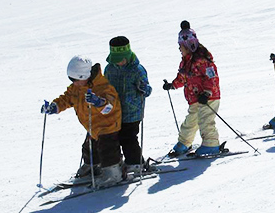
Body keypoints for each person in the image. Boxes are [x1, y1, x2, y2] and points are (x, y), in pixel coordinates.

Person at [42, 55, 124, 188]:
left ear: (84, 76)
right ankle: (92, 166)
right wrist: (55, 106)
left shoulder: (102, 86)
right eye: (71, 79)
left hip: (108, 125)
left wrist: (98, 102)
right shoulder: (76, 87)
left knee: (107, 149)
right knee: (89, 148)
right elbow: (66, 98)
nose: (73, 82)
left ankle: (113, 173)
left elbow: (110, 106)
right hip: (93, 127)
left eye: (75, 80)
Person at [162, 21, 222, 157]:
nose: (179, 49)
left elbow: (211, 78)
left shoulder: (202, 60)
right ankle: (184, 143)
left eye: (181, 46)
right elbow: (182, 77)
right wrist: (172, 85)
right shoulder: (186, 61)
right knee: (190, 121)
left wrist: (207, 93)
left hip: (208, 98)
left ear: (190, 46)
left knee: (205, 121)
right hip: (195, 99)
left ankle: (211, 144)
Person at [103, 36, 151, 178]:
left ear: (128, 55)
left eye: (122, 58)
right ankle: (117, 163)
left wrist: (144, 88)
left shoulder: (137, 69)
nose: (119, 62)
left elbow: (147, 90)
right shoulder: (109, 69)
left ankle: (135, 163)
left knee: (128, 137)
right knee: (114, 137)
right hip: (114, 111)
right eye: (116, 59)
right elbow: (104, 86)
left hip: (132, 112)